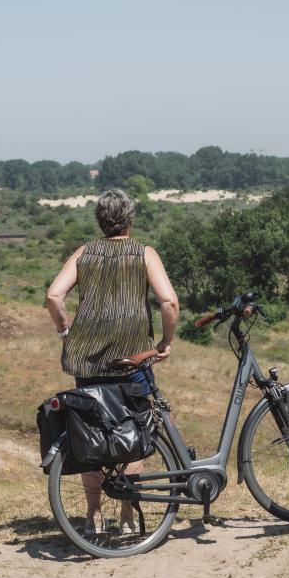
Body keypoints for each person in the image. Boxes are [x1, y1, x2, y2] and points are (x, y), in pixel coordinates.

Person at [46, 189, 179, 535]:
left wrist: (65, 330)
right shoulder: (144, 253)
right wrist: (166, 341)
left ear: (100, 221)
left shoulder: (84, 253)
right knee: (134, 434)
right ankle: (126, 515)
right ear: (130, 219)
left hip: (88, 360)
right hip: (131, 360)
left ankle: (92, 517)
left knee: (91, 438)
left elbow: (54, 296)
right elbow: (169, 302)